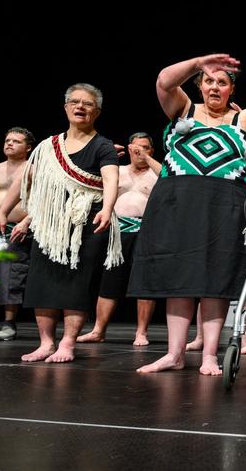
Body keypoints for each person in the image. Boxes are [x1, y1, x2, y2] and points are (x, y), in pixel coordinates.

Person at [129, 24, 246, 376]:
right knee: (179, 275)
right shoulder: (182, 109)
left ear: (232, 89)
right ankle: (174, 353)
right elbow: (163, 80)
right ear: (200, 85)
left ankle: (209, 355)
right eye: (209, 81)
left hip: (226, 203)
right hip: (177, 200)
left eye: (222, 82)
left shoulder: (242, 118)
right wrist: (200, 61)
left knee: (216, 277)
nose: (214, 86)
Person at [0, 84, 121, 363]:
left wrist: (108, 208)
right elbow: (24, 181)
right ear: (65, 107)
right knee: (43, 283)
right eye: (74, 102)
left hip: (85, 223)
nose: (80, 107)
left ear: (96, 111)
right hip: (49, 227)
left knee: (76, 285)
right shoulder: (49, 147)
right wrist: (3, 211)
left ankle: (67, 343)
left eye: (87, 104)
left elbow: (111, 179)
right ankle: (46, 343)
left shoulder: (103, 146)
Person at [186, 132, 246, 351]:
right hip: (218, 232)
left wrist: (245, 123)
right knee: (206, 286)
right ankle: (201, 338)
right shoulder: (220, 173)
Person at [77, 132, 161, 346]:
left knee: (144, 281)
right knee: (109, 281)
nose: (139, 151)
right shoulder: (117, 171)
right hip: (116, 230)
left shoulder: (157, 172)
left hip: (145, 231)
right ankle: (98, 330)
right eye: (135, 148)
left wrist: (147, 158)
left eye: (144, 147)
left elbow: (170, 177)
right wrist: (105, 156)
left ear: (151, 151)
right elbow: (86, 177)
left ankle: (141, 332)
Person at [0, 127, 35, 340]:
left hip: (14, 230)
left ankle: (9, 323)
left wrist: (26, 221)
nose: (9, 143)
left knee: (9, 275)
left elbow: (42, 201)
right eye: (7, 140)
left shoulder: (33, 169)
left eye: (16, 141)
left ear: (28, 147)